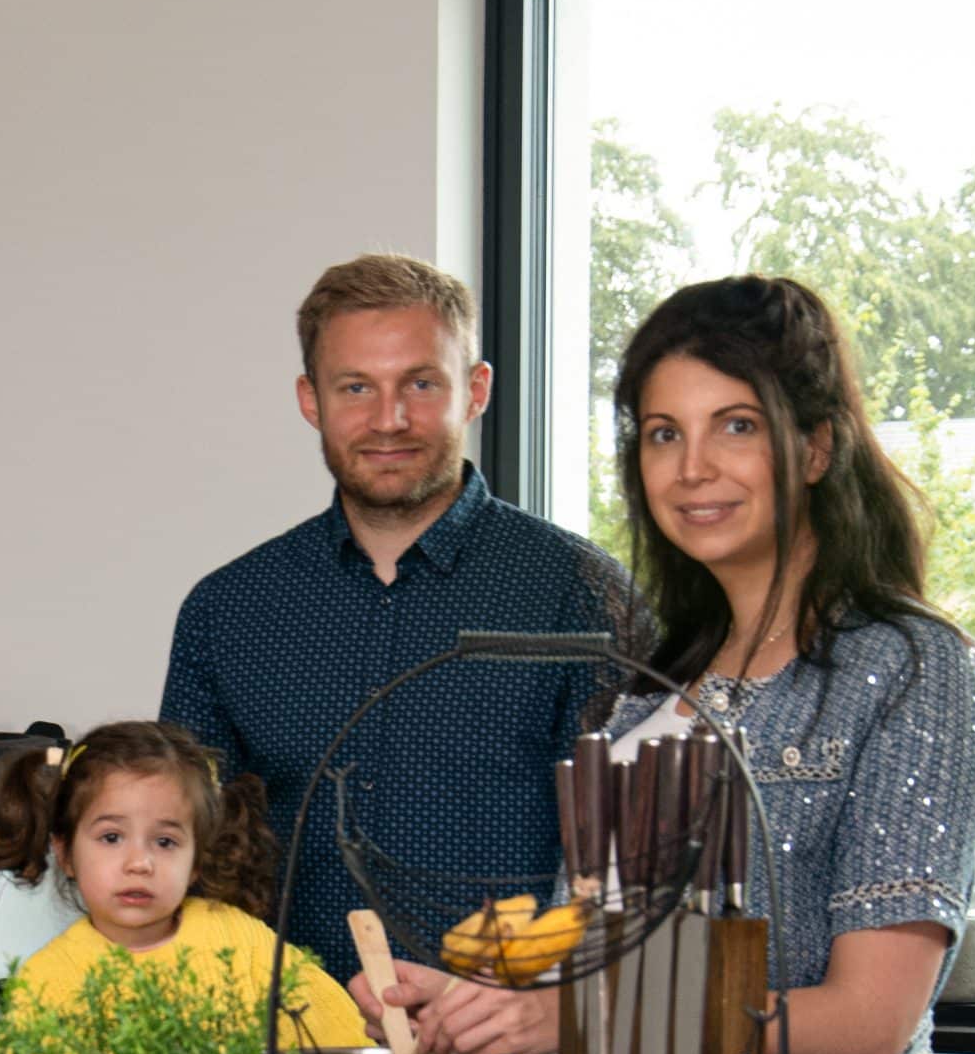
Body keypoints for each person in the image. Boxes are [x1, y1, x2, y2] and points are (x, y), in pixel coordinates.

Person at [357, 274, 975, 1054]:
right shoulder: (651, 686)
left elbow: (870, 1021)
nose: (692, 467)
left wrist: (569, 1022)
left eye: (735, 425)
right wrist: (479, 1006)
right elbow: (625, 975)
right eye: (664, 433)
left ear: (816, 446)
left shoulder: (907, 666)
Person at [161, 253, 639, 976]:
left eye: (420, 383)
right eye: (356, 387)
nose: (389, 419)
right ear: (310, 400)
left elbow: (633, 872)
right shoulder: (226, 612)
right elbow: (180, 855)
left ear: (475, 391)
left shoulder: (583, 594)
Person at [0, 720, 369, 1054]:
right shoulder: (51, 977)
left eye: (165, 842)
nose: (139, 863)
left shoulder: (240, 942)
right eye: (112, 837)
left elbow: (338, 1046)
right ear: (66, 853)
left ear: (197, 857)